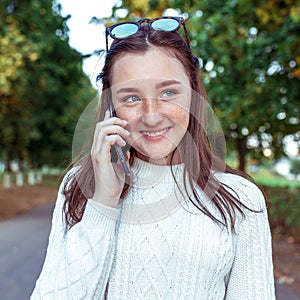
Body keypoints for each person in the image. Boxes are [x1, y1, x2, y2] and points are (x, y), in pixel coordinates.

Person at [31, 16, 275, 299]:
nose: (151, 115)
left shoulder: (240, 199)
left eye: (168, 92)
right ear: (111, 108)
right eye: (131, 98)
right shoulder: (78, 187)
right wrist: (103, 203)